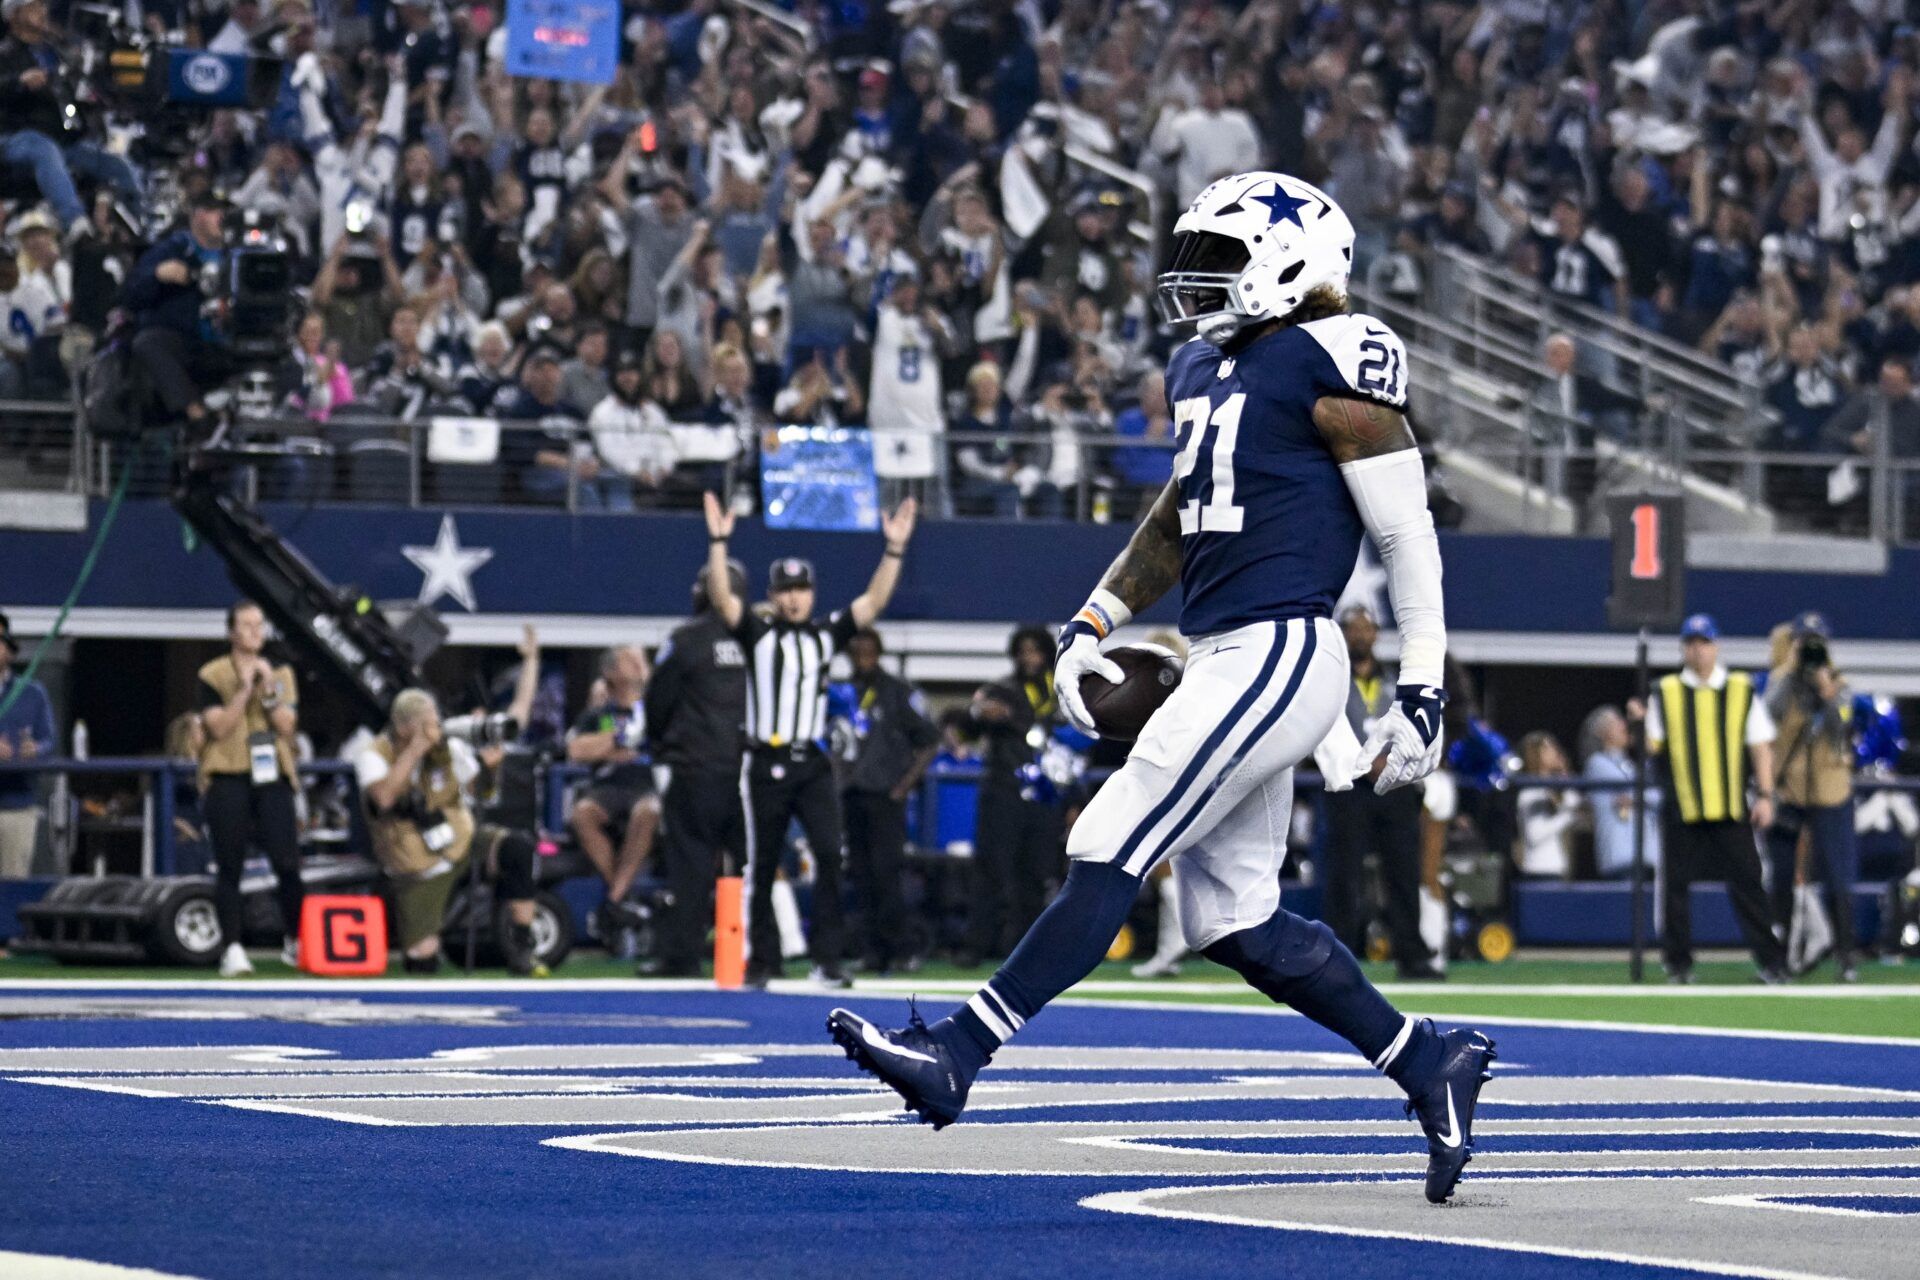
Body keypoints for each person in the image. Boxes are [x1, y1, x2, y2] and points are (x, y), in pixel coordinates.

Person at [828, 171, 1495, 1206]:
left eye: (1217, 259)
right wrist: (1095, 615)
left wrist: (1420, 688)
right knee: (1235, 918)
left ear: (1289, 264)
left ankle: (956, 1050)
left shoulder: (1337, 350)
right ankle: (1426, 1059)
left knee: (1110, 834)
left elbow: (1408, 532)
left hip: (1282, 644)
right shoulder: (1203, 363)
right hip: (1224, 646)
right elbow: (1181, 515)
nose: (1191, 281)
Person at [702, 490, 919, 988]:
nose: (794, 597)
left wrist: (894, 549)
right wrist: (718, 542)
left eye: (801, 588)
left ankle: (827, 959)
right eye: (786, 589)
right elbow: (721, 598)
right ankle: (762, 961)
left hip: (813, 764)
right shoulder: (757, 634)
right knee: (761, 863)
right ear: (774, 595)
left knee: (828, 855)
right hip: (764, 763)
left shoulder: (824, 635)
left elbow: (873, 603)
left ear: (813, 593)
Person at [354, 689, 548, 976]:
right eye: (429, 724)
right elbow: (383, 799)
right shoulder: (372, 754)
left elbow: (482, 793)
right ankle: (426, 947)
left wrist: (490, 769)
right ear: (405, 726)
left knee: (516, 848)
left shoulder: (448, 749)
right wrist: (414, 750)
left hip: (462, 839)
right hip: (417, 862)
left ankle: (521, 947)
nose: (437, 730)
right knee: (422, 961)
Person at [1646, 613, 1789, 985]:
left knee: (1749, 885)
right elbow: (1652, 746)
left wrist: (1766, 795)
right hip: (1684, 805)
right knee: (1675, 889)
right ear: (1684, 648)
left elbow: (1761, 747)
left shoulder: (1740, 689)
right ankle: (1678, 964)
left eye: (1704, 643)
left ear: (1716, 646)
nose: (1698, 651)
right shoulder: (1666, 692)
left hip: (1729, 805)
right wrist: (1636, 723)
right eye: (1691, 644)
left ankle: (1772, 961)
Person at [643, 559, 751, 978]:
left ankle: (682, 956)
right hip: (748, 771)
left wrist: (660, 743)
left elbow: (658, 701)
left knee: (689, 865)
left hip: (697, 768)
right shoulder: (759, 638)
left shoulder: (686, 639)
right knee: (752, 867)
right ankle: (759, 956)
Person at [1321, 604, 1439, 979]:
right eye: (1352, 629)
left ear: (1375, 634)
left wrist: (1393, 761)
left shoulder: (1397, 680)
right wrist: (1362, 761)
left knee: (1404, 870)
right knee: (1345, 872)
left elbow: (1415, 721)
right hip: (1349, 784)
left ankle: (1411, 954)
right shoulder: (1330, 680)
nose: (1359, 635)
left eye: (1365, 628)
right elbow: (1322, 724)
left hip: (1396, 784)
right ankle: (1338, 957)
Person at [194, 602, 305, 977]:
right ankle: (233, 947)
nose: (256, 631)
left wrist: (269, 689)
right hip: (228, 775)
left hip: (272, 775)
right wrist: (244, 689)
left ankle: (296, 938)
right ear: (232, 632)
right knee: (230, 864)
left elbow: (287, 727)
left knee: (287, 862)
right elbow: (219, 728)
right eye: (247, 624)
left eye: (260, 624)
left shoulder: (281, 673)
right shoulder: (212, 674)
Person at [837, 628, 940, 974]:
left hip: (886, 796)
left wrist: (905, 786)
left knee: (887, 875)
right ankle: (871, 951)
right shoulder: (842, 693)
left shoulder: (897, 692)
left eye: (868, 652)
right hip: (853, 795)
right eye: (856, 652)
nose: (862, 658)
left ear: (878, 653)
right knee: (861, 876)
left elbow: (928, 741)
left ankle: (901, 948)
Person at [1764, 612, 1860, 981]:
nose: (1810, 649)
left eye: (1816, 643)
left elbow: (1842, 729)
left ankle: (1846, 956)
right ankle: (1783, 955)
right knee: (1783, 877)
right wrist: (1790, 671)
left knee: (1838, 876)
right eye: (1804, 642)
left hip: (1830, 791)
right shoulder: (1780, 681)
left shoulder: (1840, 683)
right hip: (1790, 789)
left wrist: (1825, 689)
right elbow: (1767, 714)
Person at [962, 625, 1066, 963]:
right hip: (1004, 791)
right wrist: (983, 712)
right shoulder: (1002, 690)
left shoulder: (1063, 692)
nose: (1028, 657)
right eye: (1022, 651)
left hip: (1046, 794)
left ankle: (1024, 950)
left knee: (1036, 875)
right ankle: (978, 946)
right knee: (992, 870)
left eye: (1035, 650)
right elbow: (973, 715)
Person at [566, 646, 661, 938]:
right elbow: (576, 749)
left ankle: (613, 900)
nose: (638, 665)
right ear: (610, 672)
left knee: (649, 812)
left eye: (641, 660)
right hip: (608, 786)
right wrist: (620, 740)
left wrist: (606, 747)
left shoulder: (657, 708)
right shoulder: (597, 714)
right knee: (582, 814)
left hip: (648, 786)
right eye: (629, 660)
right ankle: (621, 897)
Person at [125, 194, 235, 432]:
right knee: (148, 342)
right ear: (197, 215)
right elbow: (130, 295)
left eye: (224, 211)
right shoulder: (173, 248)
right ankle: (196, 412)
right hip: (186, 342)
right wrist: (157, 275)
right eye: (214, 211)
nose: (222, 218)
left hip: (228, 344)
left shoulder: (236, 254)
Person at [0, 612, 54, 877]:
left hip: (17, 806)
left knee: (12, 882)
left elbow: (48, 740)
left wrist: (34, 749)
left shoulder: (32, 693)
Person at [1580, 705, 1660, 879]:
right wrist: (1643, 797)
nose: (1625, 726)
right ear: (1602, 733)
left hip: (1647, 855)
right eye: (1618, 723)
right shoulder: (1597, 763)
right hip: (1621, 856)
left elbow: (1659, 794)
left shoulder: (1631, 765)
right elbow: (1636, 790)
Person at [1512, 732, 1581, 879]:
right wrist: (1568, 816)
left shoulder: (1550, 789)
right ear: (1535, 755)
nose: (1555, 751)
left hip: (1556, 869)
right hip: (1539, 870)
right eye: (1547, 748)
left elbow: (1574, 801)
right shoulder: (1530, 790)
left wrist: (1564, 774)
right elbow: (1535, 834)